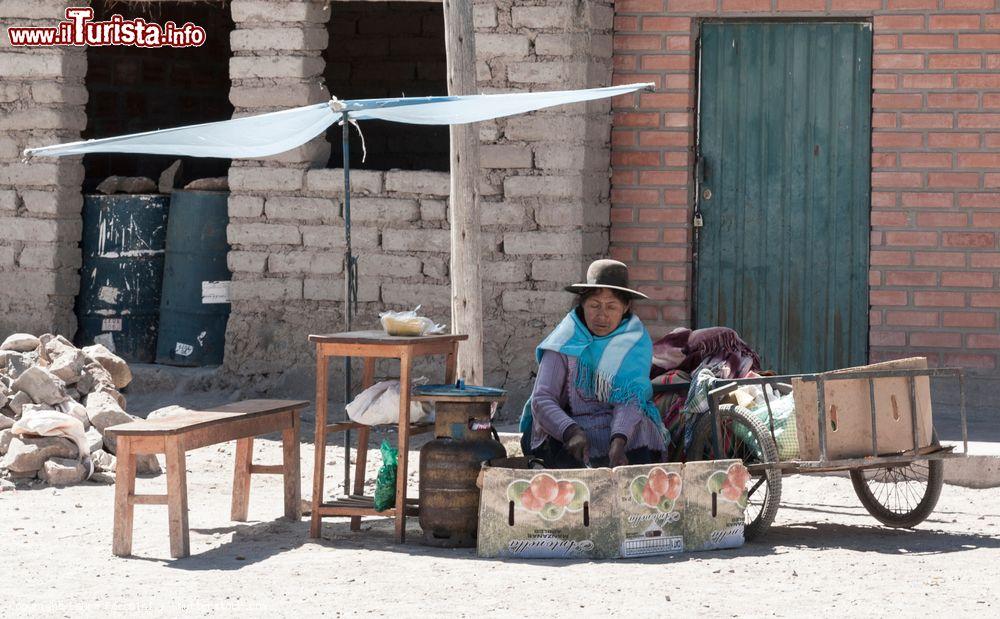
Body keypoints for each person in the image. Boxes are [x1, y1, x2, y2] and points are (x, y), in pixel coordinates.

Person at [519, 259, 667, 468]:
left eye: (611, 307)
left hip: (615, 426)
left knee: (641, 427)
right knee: (564, 457)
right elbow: (542, 399)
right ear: (582, 304)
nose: (602, 315)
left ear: (625, 307)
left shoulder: (634, 342)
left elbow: (631, 399)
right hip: (569, 424)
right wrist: (571, 431)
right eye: (594, 305)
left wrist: (619, 439)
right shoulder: (565, 340)